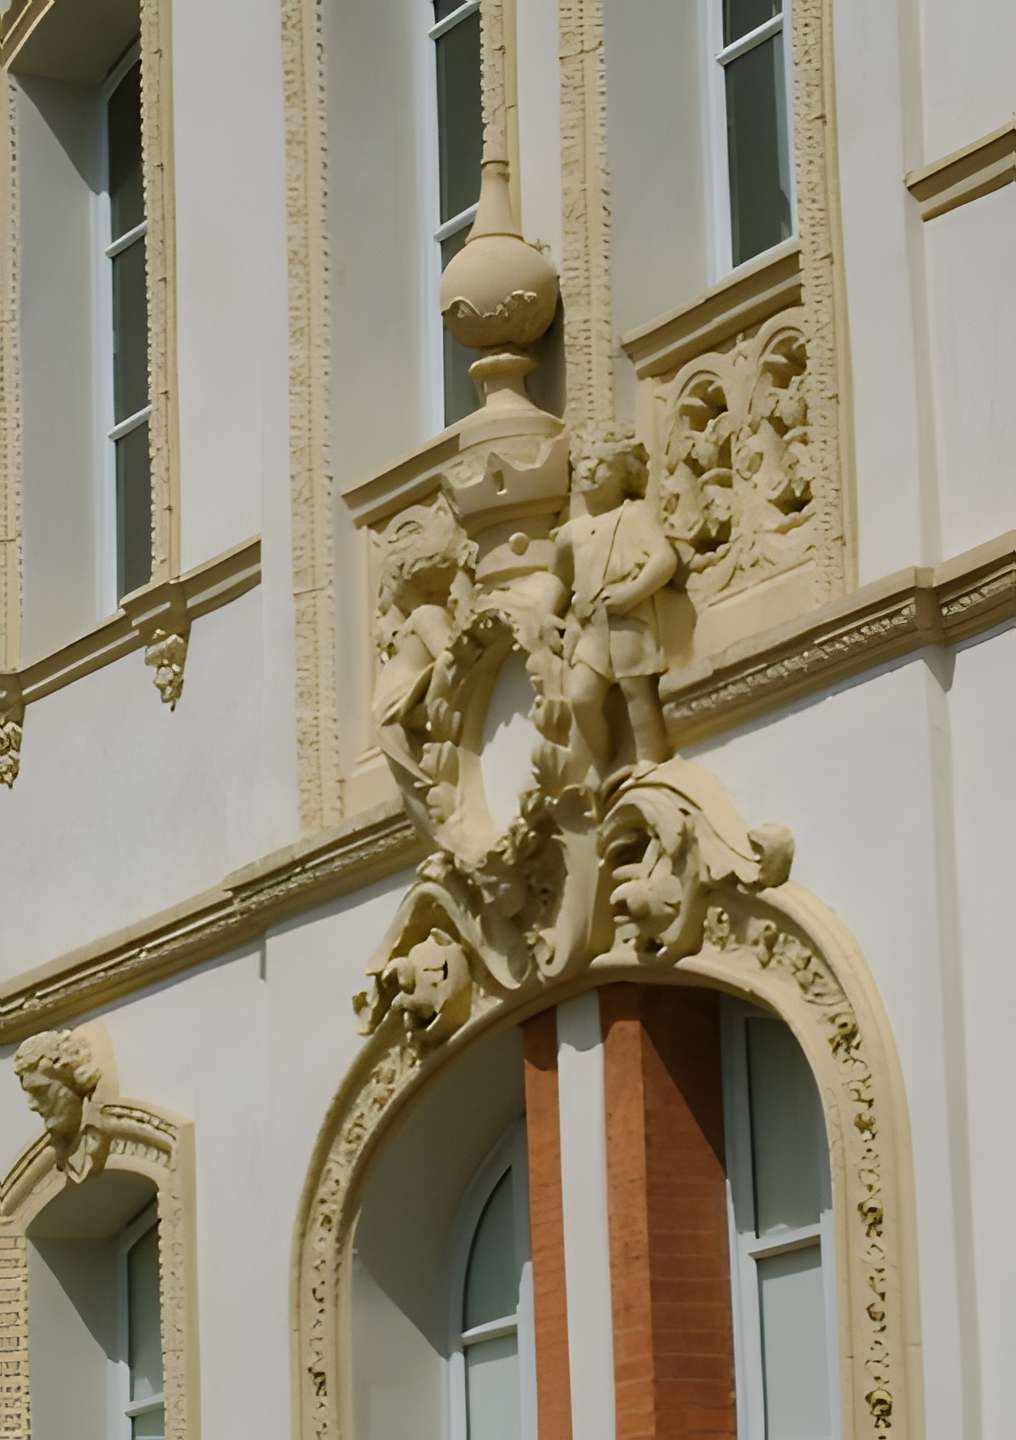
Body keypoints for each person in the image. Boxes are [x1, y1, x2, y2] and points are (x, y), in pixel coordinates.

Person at [553, 434, 676, 773]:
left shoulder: (633, 515)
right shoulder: (572, 532)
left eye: (601, 465)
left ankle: (649, 757)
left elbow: (663, 559)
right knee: (581, 697)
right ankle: (603, 759)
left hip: (627, 618)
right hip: (592, 623)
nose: (589, 472)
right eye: (584, 464)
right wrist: (550, 614)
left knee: (636, 690)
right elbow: (558, 580)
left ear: (623, 474)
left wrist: (631, 593)